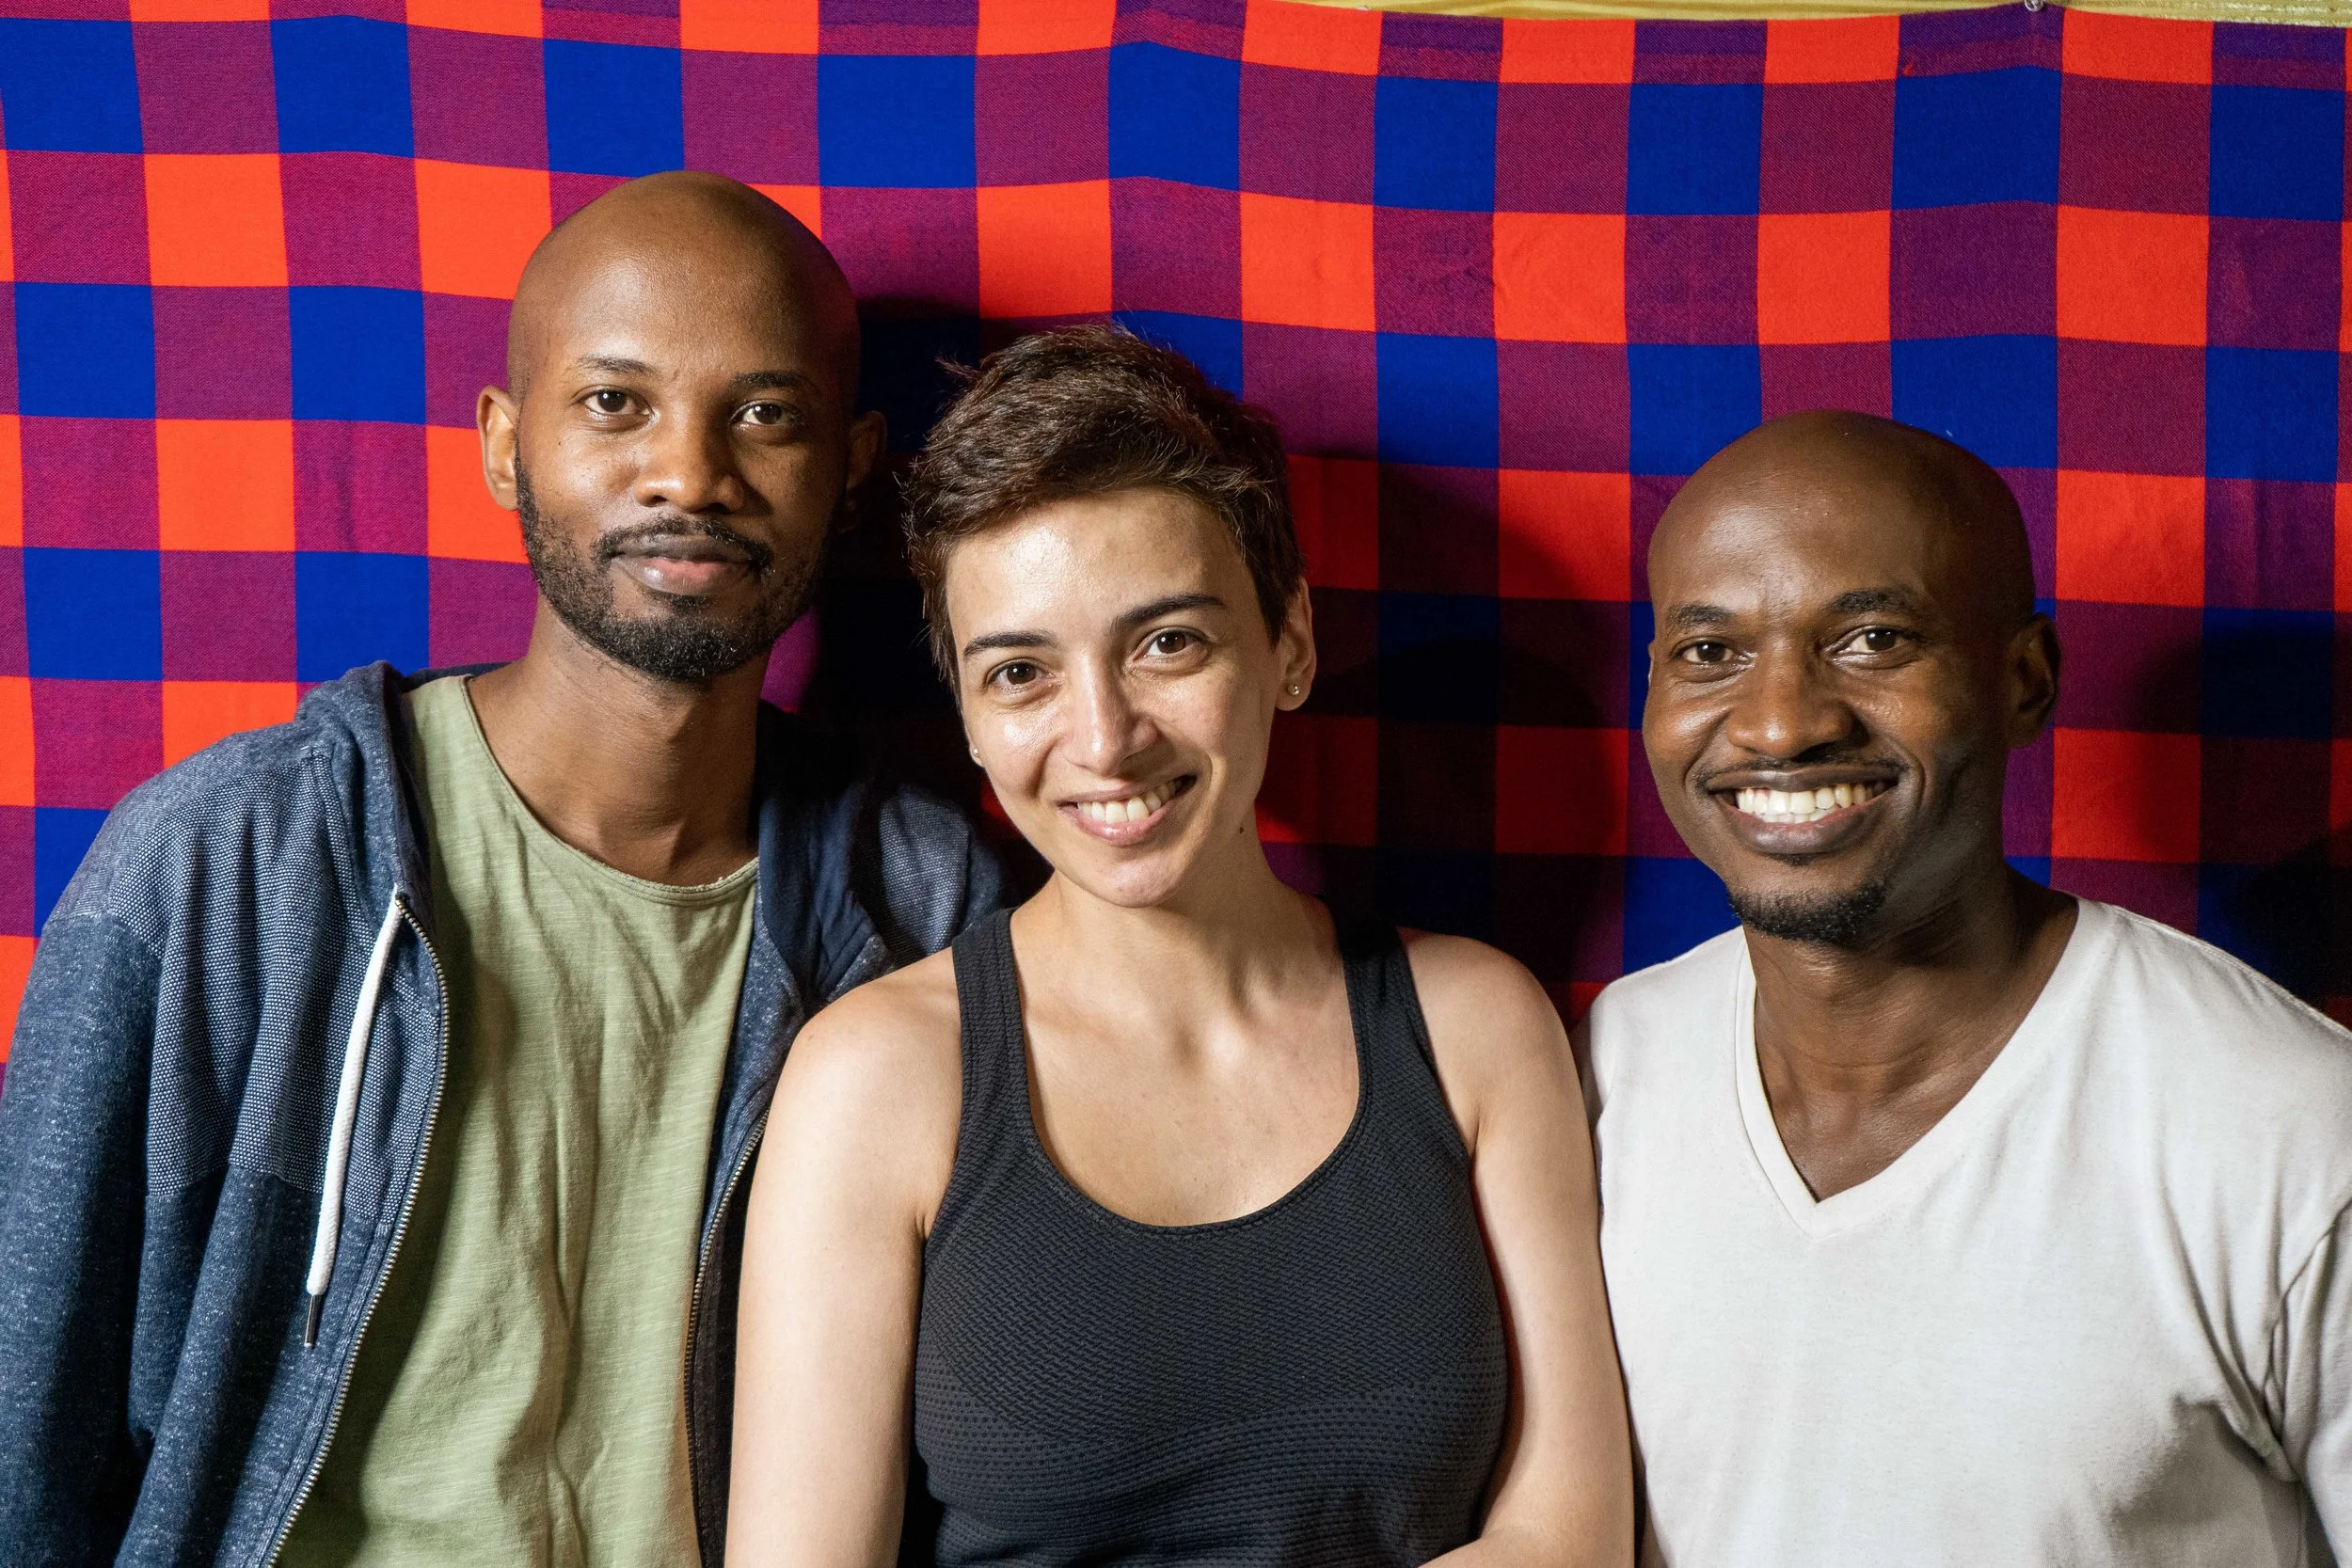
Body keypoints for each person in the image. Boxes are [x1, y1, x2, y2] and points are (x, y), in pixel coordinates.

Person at [0, 171, 1003, 1568]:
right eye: (615, 402)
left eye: (766, 414)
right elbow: (24, 1414)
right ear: (503, 444)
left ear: (851, 465)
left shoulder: (930, 907)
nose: (688, 474)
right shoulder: (225, 861)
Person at [723, 326, 1634, 1566]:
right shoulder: (875, 1074)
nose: (1105, 739)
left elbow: (1569, 1531)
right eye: (1021, 671)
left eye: (1167, 642)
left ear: (1290, 641)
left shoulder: (1475, 1024)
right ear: (971, 718)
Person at [1584, 409, 2352, 1565]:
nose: (1780, 722)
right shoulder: (1600, 1072)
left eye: (1873, 638)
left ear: (2022, 682)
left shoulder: (2286, 1125)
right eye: (1709, 652)